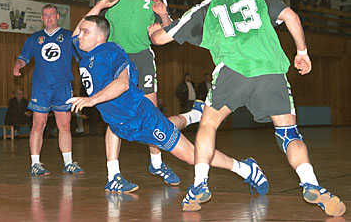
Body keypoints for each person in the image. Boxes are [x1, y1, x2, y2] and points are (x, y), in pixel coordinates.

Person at [148, 0, 346, 217]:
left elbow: (162, 39)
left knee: (208, 124)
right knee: (288, 134)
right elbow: (292, 17)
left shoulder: (205, 8)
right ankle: (311, 183)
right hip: (271, 71)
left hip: (233, 71)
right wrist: (302, 52)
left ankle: (199, 184)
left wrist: (155, 28)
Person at [71, 15, 268, 195]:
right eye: (80, 31)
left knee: (191, 155)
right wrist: (102, 3)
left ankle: (247, 170)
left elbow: (122, 84)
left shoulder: (110, 51)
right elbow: (76, 34)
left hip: (142, 118)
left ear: (100, 37)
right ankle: (193, 115)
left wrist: (91, 100)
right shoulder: (85, 54)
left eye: (85, 32)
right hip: (123, 123)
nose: (79, 35)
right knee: (147, 130)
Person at [84, 0, 180, 189]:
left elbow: (167, 28)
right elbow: (94, 19)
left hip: (143, 56)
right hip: (116, 59)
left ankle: (156, 163)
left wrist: (164, 16)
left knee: (151, 111)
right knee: (116, 117)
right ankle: (113, 175)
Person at [13, 4, 83, 176]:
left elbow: (82, 56)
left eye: (52, 14)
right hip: (41, 87)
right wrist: (18, 65)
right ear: (42, 18)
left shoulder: (68, 37)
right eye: (45, 15)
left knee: (64, 125)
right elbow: (23, 58)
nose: (49, 17)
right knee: (38, 124)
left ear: (57, 16)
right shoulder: (34, 39)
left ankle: (68, 163)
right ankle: (35, 164)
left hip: (63, 86)